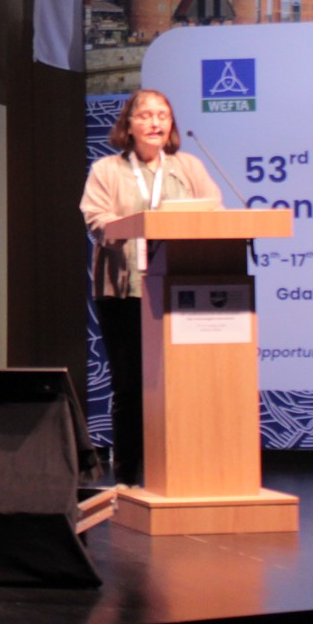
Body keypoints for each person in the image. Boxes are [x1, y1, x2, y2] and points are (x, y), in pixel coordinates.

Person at [79, 89, 220, 486]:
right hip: (123, 292)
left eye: (163, 115)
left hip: (179, 292)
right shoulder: (107, 170)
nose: (155, 122)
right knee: (130, 386)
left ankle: (181, 471)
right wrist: (143, 226)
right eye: (145, 115)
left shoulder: (187, 166)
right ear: (129, 124)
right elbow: (96, 220)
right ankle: (127, 476)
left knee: (179, 384)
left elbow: (215, 212)